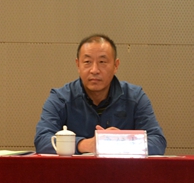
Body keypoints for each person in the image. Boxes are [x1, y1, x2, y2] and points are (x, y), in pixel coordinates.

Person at [34, 34, 166, 155]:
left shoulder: (135, 97)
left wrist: (122, 141)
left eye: (102, 62)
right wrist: (85, 144)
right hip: (74, 172)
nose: (94, 70)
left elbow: (158, 142)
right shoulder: (60, 98)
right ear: (78, 65)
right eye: (87, 62)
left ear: (116, 65)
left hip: (122, 172)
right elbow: (42, 140)